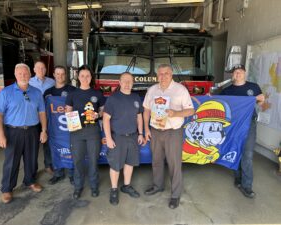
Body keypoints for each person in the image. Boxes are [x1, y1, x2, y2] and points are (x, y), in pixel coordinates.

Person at [0, 63, 47, 204]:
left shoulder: (36, 93)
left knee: (31, 159)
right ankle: (7, 189)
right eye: (20, 74)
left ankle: (30, 181)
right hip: (13, 132)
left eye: (25, 73)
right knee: (11, 162)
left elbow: (42, 113)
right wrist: (0, 134)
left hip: (32, 131)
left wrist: (44, 130)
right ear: (15, 75)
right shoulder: (6, 92)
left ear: (30, 75)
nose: (23, 76)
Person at [143, 64, 194, 209]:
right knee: (156, 161)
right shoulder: (152, 90)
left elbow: (190, 110)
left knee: (174, 164)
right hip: (155, 130)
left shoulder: (180, 89)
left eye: (166, 73)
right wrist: (146, 128)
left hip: (173, 131)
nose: (163, 76)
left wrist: (175, 113)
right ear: (157, 75)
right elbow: (146, 110)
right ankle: (157, 186)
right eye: (160, 73)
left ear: (171, 74)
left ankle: (175, 195)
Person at [220, 64, 265, 198]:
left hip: (249, 125)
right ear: (232, 75)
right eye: (235, 72)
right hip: (233, 126)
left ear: (245, 73)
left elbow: (261, 103)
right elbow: (220, 105)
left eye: (240, 71)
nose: (238, 73)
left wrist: (261, 99)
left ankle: (247, 186)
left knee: (248, 155)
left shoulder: (253, 87)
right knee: (236, 151)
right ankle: (238, 179)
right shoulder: (226, 91)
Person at [103, 72, 145, 205]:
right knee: (115, 165)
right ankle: (114, 189)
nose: (127, 84)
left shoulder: (136, 97)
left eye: (130, 81)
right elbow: (105, 119)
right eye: (125, 81)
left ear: (133, 83)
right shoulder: (113, 99)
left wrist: (140, 133)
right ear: (120, 83)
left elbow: (139, 117)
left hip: (132, 136)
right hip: (117, 137)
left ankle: (126, 186)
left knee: (130, 163)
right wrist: (108, 138)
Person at [65, 65, 105, 199]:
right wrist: (70, 117)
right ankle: (78, 187)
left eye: (87, 76)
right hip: (76, 131)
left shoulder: (97, 93)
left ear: (91, 77)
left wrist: (98, 115)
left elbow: (103, 110)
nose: (85, 78)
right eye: (82, 76)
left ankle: (94, 186)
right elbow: (67, 111)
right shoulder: (72, 94)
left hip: (93, 131)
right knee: (78, 161)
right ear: (78, 77)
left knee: (93, 160)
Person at [44, 66, 76, 185]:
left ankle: (72, 174)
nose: (60, 76)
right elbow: (44, 111)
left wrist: (75, 128)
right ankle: (58, 174)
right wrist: (44, 128)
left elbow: (76, 109)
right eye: (58, 74)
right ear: (54, 75)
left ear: (66, 75)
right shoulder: (48, 93)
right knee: (56, 150)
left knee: (71, 150)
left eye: (62, 74)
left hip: (69, 128)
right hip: (54, 128)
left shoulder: (73, 90)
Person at [29, 61, 55, 174]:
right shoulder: (28, 82)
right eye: (38, 68)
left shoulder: (52, 82)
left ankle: (48, 164)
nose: (41, 70)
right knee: (33, 144)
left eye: (43, 68)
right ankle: (32, 170)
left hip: (48, 116)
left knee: (47, 141)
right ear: (34, 70)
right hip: (33, 117)